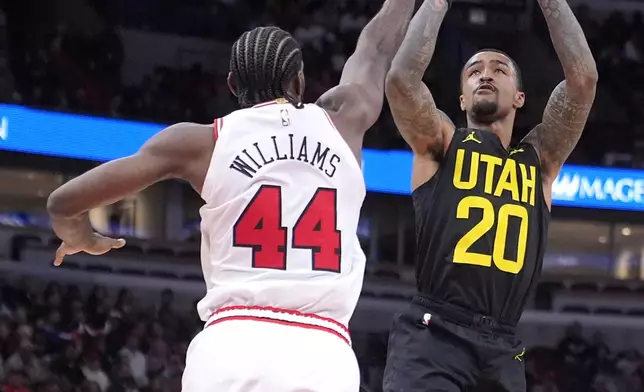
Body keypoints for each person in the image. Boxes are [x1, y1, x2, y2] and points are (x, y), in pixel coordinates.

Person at [46, 1, 417, 391]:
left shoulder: (201, 142)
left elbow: (62, 203)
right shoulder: (345, 121)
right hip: (321, 351)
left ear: (232, 86)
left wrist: (79, 235)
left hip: (231, 345)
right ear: (300, 82)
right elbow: (374, 49)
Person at [382, 0, 597, 391]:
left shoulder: (540, 159)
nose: (485, 75)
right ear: (461, 98)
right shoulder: (442, 144)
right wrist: (435, 3)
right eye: (474, 71)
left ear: (519, 97)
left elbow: (582, 81)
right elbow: (401, 81)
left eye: (499, 70)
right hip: (435, 334)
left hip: (502, 346)